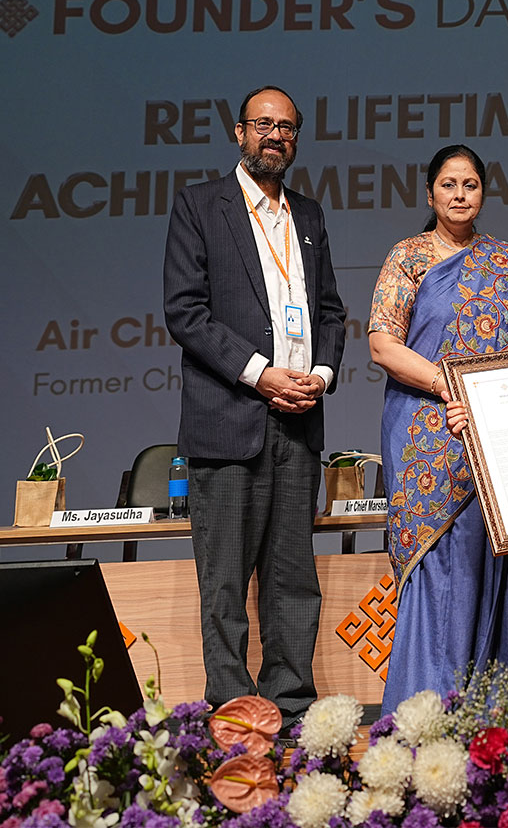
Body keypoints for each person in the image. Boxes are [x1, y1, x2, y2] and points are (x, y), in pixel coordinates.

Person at [371, 144, 508, 711]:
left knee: (490, 566)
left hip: (492, 439)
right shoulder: (408, 258)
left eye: (470, 185)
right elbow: (383, 344)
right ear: (430, 192)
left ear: (482, 193)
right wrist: (449, 384)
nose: (459, 194)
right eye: (448, 184)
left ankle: (492, 714)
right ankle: (424, 713)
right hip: (423, 432)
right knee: (438, 565)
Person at [163, 84, 346, 721]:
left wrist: (319, 376)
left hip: (299, 421)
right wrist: (261, 374)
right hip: (230, 418)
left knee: (293, 579)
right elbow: (185, 312)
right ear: (239, 133)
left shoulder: (310, 215)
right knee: (225, 582)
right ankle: (236, 713)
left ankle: (291, 708)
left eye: (288, 128)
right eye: (263, 124)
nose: (276, 135)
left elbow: (329, 314)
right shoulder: (199, 206)